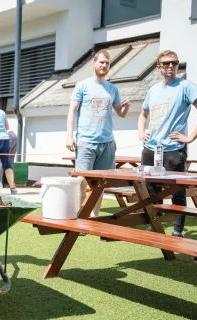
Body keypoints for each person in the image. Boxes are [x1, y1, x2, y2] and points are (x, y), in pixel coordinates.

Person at [138, 49, 197, 237]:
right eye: (167, 63)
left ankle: (177, 230)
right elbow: (143, 114)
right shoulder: (153, 90)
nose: (171, 66)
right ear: (158, 67)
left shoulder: (186, 86)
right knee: (151, 188)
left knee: (177, 189)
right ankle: (155, 223)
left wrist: (190, 137)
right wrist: (140, 131)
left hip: (174, 149)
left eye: (175, 63)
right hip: (151, 148)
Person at [66, 49, 130, 217]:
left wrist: (125, 109)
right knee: (81, 180)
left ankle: (94, 216)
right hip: (86, 142)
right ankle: (79, 214)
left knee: (101, 183)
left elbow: (120, 113)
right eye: (101, 62)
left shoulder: (112, 89)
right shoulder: (82, 85)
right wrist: (69, 136)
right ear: (94, 63)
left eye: (107, 63)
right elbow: (72, 111)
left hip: (107, 142)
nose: (104, 65)